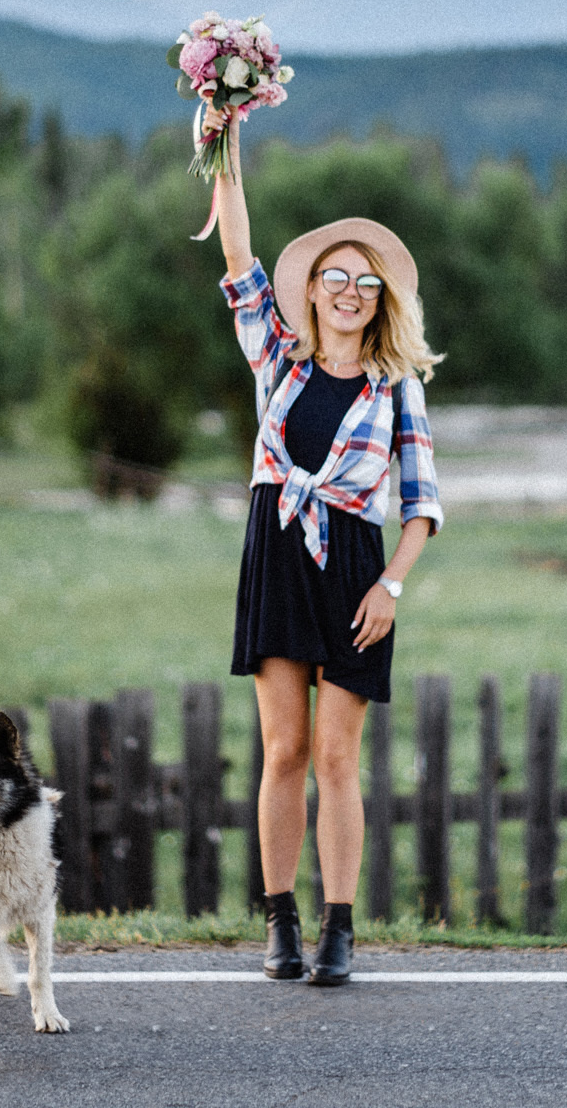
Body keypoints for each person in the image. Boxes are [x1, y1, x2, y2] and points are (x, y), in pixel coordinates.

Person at [204, 102, 444, 986]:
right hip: (275, 551)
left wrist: (391, 587)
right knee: (284, 752)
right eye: (335, 277)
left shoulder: (397, 389)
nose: (348, 290)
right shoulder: (278, 360)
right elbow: (237, 256)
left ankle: (341, 928)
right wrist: (222, 136)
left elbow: (419, 507)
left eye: (366, 282)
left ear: (382, 300)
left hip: (351, 564)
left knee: (338, 757)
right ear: (309, 290)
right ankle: (281, 924)